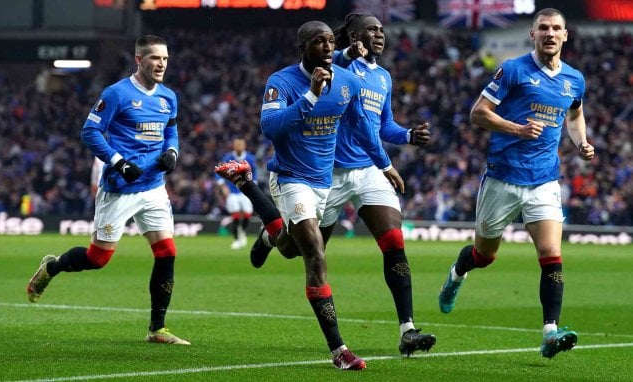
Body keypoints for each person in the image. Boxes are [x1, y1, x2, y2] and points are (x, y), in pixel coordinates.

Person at [216, 20, 404, 370]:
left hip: (324, 182)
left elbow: (364, 126)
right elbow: (270, 127)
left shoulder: (347, 81)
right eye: (319, 42)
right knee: (315, 254)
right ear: (303, 48)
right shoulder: (282, 82)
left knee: (289, 248)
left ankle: (249, 192)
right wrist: (312, 95)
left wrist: (384, 164)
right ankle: (339, 351)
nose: (328, 47)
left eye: (331, 41)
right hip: (291, 179)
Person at [437, 8, 595, 359]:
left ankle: (550, 332)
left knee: (551, 255)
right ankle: (458, 272)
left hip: (544, 180)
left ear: (565, 35)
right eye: (543, 28)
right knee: (484, 255)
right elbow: (477, 113)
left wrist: (580, 142)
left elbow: (575, 114)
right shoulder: (513, 70)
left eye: (556, 28)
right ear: (532, 34)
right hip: (503, 176)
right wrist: (517, 129)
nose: (550, 34)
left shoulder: (574, 79)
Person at [26, 35, 190, 345]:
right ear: (139, 60)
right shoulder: (117, 94)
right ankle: (52, 267)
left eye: (165, 59)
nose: (161, 64)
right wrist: (117, 162)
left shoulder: (168, 96)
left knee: (167, 252)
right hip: (120, 188)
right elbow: (90, 131)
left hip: (153, 186)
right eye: (155, 58)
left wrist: (172, 152)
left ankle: (157, 329)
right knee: (98, 258)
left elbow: (171, 130)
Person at [313, 13, 435, 357]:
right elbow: (333, 60)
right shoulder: (338, 65)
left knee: (394, 242)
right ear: (354, 36)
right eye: (372, 29)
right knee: (301, 250)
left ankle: (408, 329)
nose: (380, 34)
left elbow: (384, 125)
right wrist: (348, 54)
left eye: (382, 29)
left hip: (368, 171)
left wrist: (408, 135)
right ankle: (269, 233)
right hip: (330, 173)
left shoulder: (383, 77)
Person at [216, 137, 257, 249]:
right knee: (236, 216)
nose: (238, 146)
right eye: (236, 144)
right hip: (232, 191)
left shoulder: (249, 158)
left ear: (244, 146)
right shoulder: (228, 157)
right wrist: (223, 185)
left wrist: (254, 184)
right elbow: (218, 171)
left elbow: (255, 172)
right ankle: (236, 239)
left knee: (248, 215)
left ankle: (241, 232)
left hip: (246, 190)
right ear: (233, 146)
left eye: (240, 144)